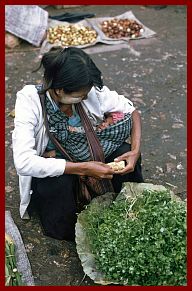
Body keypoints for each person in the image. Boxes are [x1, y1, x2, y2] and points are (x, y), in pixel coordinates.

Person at [12, 46, 144, 241]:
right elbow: (23, 162)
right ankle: (65, 226)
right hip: (57, 163)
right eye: (81, 95)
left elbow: (131, 110)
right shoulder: (30, 100)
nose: (85, 97)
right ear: (59, 90)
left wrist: (135, 151)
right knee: (58, 187)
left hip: (84, 152)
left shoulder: (90, 91)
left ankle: (130, 209)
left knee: (123, 154)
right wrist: (83, 168)